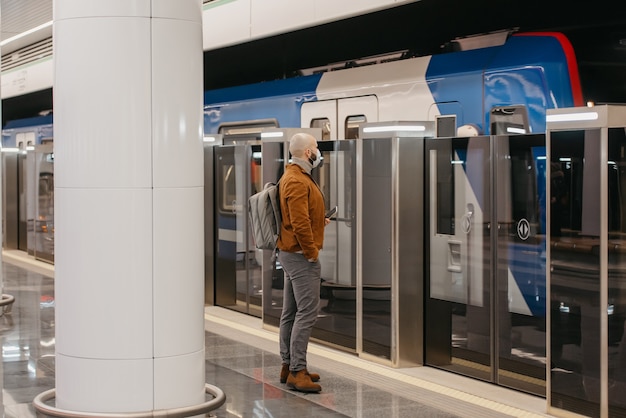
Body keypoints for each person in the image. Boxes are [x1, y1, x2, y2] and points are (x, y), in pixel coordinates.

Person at [277, 132, 330, 393]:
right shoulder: (297, 180)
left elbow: (301, 215)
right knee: (307, 313)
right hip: (300, 256)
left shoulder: (295, 177)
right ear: (308, 152)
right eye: (316, 148)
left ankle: (289, 366)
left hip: (291, 253)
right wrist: (311, 252)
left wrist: (320, 220)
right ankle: (298, 371)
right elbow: (298, 223)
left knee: (291, 312)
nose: (318, 151)